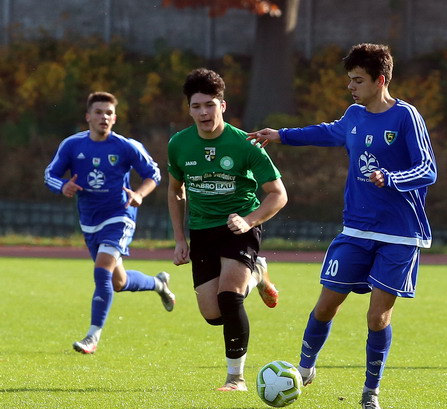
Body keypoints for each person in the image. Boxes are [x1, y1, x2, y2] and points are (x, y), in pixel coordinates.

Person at [248, 43, 437, 409]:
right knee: (325, 306)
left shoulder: (406, 117)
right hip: (356, 231)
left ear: (380, 80)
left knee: (377, 317)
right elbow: (325, 132)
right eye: (349, 79)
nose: (351, 86)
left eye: (358, 80)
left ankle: (370, 392)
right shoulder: (354, 115)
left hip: (399, 234)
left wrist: (392, 178)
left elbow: (428, 169)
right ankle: (304, 369)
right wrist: (281, 135)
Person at [167, 68, 287, 391]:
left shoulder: (245, 144)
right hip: (201, 231)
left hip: (239, 227)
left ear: (223, 105)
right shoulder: (179, 144)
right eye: (196, 106)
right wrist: (179, 238)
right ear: (189, 109)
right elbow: (175, 191)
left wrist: (249, 220)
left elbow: (278, 195)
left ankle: (236, 378)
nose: (203, 113)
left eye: (210, 105)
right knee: (213, 314)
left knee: (230, 298)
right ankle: (258, 273)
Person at [44, 91, 176, 355]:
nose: (103, 117)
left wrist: (139, 194)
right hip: (89, 220)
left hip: (120, 216)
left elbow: (153, 174)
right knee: (118, 281)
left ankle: (92, 336)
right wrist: (63, 186)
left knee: (102, 270)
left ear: (114, 118)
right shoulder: (72, 145)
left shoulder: (126, 146)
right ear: (88, 116)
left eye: (108, 113)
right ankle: (158, 283)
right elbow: (50, 174)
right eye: (98, 112)